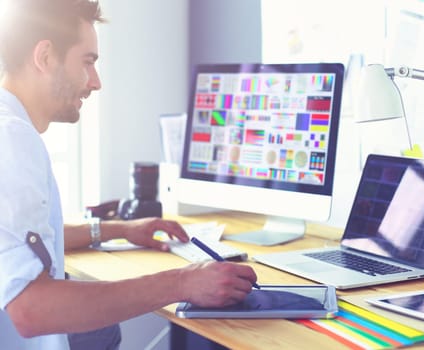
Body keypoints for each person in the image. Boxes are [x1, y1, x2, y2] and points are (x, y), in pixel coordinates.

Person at [0, 0, 258, 348]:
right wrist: (183, 282)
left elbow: (15, 241)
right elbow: (31, 310)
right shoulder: (14, 139)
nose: (96, 82)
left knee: (100, 333)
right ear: (45, 57)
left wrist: (118, 229)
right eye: (88, 63)